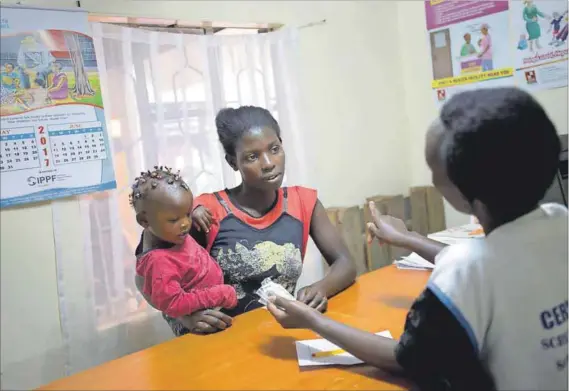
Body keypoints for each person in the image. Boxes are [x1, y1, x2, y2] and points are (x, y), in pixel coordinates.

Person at [268, 87, 568, 391]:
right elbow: (492, 262)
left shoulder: (467, 270)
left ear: (463, 195)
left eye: (434, 171)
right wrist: (409, 238)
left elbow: (407, 358)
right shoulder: (559, 219)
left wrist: (313, 322)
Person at [157, 106, 357, 336]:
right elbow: (150, 276)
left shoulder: (304, 202)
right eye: (252, 156)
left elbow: (345, 263)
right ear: (233, 162)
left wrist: (320, 288)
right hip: (215, 343)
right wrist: (187, 317)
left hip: (278, 336)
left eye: (274, 149)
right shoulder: (206, 212)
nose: (269, 163)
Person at [131, 166, 238, 332]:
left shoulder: (166, 231)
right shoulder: (158, 261)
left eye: (187, 214)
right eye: (174, 219)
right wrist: (220, 294)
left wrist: (195, 210)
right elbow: (173, 303)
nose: (185, 224)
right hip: (201, 320)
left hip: (214, 304)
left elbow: (176, 207)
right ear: (144, 221)